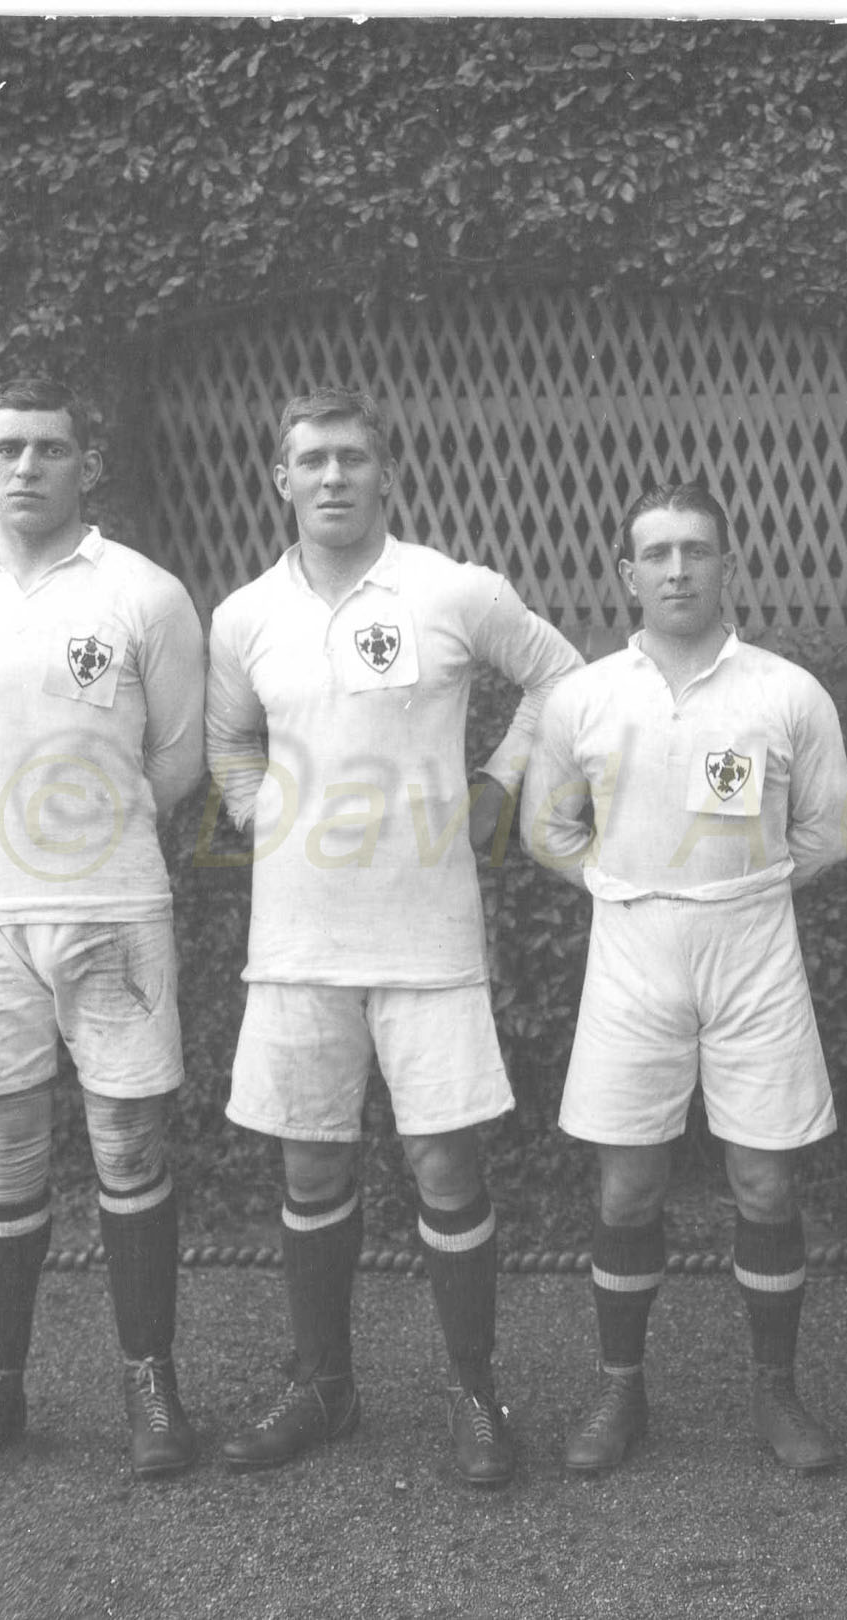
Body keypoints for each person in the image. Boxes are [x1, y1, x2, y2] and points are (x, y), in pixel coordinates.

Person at [204, 385, 580, 1487]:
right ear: (280, 478)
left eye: (353, 458)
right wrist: (258, 815)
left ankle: (474, 1392)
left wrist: (500, 781)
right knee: (311, 1161)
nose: (333, 476)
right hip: (298, 943)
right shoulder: (243, 616)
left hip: (427, 938)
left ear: (386, 474)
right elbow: (228, 742)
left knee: (445, 1164)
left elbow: (561, 677)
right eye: (312, 459)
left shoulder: (451, 590)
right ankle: (324, 1387)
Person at [0, 376, 206, 1485]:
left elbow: (176, 761)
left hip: (113, 908)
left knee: (128, 1145)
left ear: (89, 466)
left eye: (52, 448)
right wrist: (14, 851)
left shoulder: (146, 594)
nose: (28, 466)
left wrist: (86, 841)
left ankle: (150, 1383)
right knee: (5, 1153)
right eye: (10, 448)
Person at [519, 482, 847, 1475]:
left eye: (695, 551)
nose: (677, 570)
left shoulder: (785, 692)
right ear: (628, 574)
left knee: (764, 1178)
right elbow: (546, 829)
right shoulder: (585, 696)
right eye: (657, 555)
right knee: (627, 1186)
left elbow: (830, 832)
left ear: (727, 566)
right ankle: (619, 1392)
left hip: (752, 945)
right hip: (632, 947)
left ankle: (776, 1392)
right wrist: (626, 890)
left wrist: (740, 891)